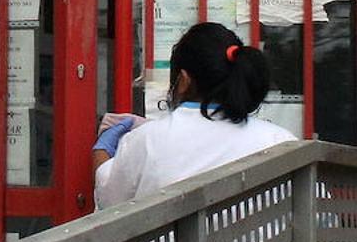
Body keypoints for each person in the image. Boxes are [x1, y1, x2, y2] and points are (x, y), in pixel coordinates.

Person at [93, 22, 296, 210]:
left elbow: (110, 204)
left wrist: (101, 151)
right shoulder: (281, 142)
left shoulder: (146, 140)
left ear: (183, 80)